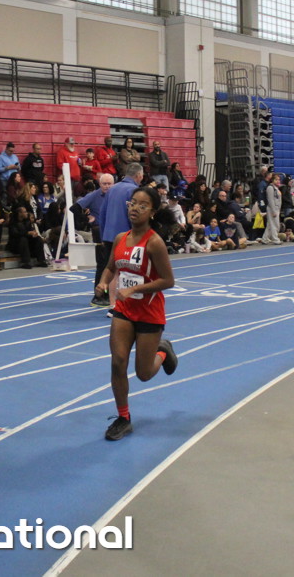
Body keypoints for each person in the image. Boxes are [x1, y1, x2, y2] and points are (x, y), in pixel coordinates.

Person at [96, 186, 177, 441]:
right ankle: (123, 418)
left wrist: (136, 289)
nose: (135, 209)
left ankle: (163, 352)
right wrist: (103, 282)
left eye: (143, 205)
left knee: (143, 374)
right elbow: (111, 267)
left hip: (149, 313)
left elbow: (168, 281)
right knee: (117, 361)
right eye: (133, 203)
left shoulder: (154, 242)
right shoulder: (121, 238)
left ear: (152, 212)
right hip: (124, 311)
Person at [74, 173, 114, 306]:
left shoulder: (115, 195)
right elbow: (74, 208)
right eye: (104, 184)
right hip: (100, 233)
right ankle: (99, 296)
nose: (107, 186)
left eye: (109, 184)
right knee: (103, 265)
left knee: (113, 265)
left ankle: (110, 294)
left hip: (114, 233)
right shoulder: (94, 196)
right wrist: (87, 219)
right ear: (99, 184)